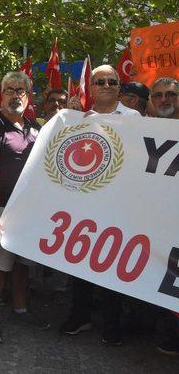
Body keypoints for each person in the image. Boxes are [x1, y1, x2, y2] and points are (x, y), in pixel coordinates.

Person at [59, 65, 136, 346]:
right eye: (99, 81)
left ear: (119, 86)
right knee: (79, 260)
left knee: (111, 262)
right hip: (83, 201)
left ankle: (112, 323)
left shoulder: (134, 117)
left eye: (112, 81)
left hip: (117, 203)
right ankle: (80, 315)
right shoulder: (78, 117)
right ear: (90, 88)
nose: (106, 85)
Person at [0, 71, 49, 344]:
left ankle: (20, 309)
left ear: (28, 96)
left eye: (20, 90)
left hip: (29, 209)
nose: (15, 94)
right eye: (9, 89)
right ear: (1, 94)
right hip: (3, 206)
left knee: (22, 263)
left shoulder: (35, 128)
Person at [148, 77, 179, 355]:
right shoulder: (140, 130)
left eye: (170, 94)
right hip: (155, 222)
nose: (164, 100)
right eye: (158, 96)